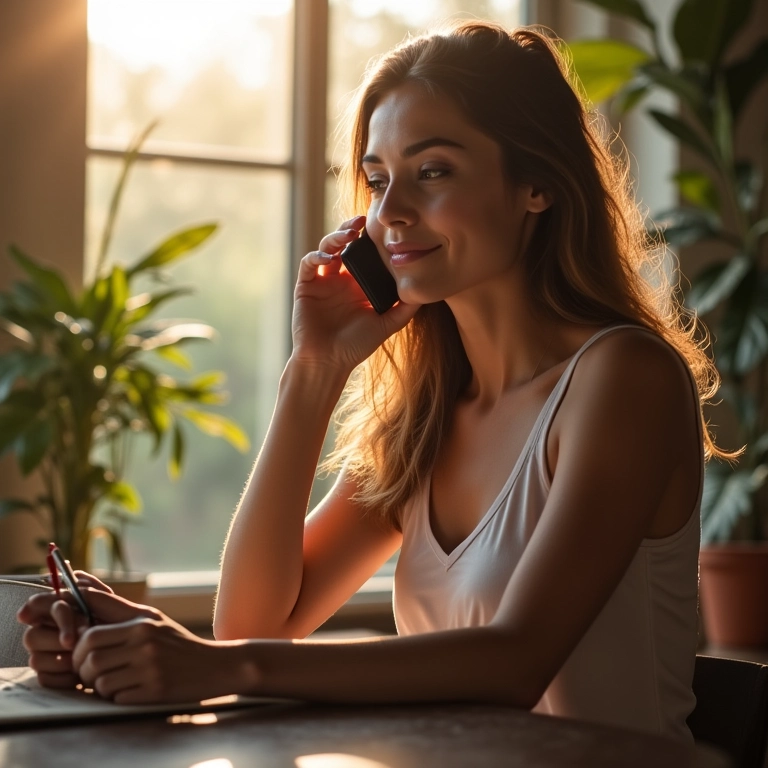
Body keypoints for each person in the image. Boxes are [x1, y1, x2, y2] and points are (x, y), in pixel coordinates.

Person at [18, 20, 731, 741]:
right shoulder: (429, 416)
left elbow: (515, 662)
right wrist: (314, 370)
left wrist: (224, 668)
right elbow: (253, 624)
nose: (389, 214)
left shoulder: (623, 379)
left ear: (537, 183)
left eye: (433, 172)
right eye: (379, 179)